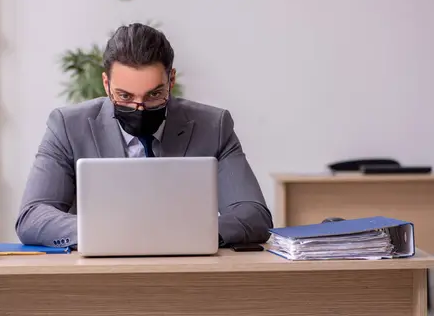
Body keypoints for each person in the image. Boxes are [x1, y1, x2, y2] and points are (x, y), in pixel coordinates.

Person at [15, 23, 273, 248]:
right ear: (106, 84)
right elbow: (32, 216)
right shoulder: (68, 126)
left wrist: (187, 234)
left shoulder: (213, 125)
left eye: (153, 95)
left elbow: (253, 215)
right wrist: (110, 232)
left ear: (171, 81)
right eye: (125, 96)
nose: (140, 108)